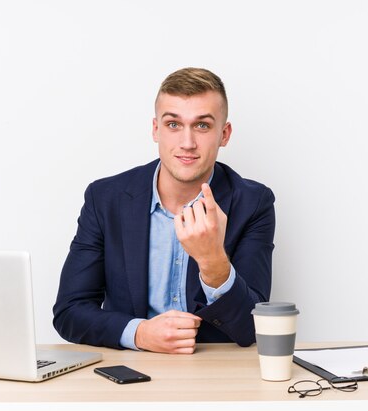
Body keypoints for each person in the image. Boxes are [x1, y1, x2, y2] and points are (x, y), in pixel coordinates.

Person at [53, 67, 275, 354]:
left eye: (203, 126)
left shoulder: (253, 203)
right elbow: (69, 312)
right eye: (173, 125)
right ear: (156, 130)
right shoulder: (106, 198)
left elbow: (251, 328)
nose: (187, 143)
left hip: (215, 374)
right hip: (131, 372)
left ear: (224, 134)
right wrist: (140, 333)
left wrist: (212, 261)